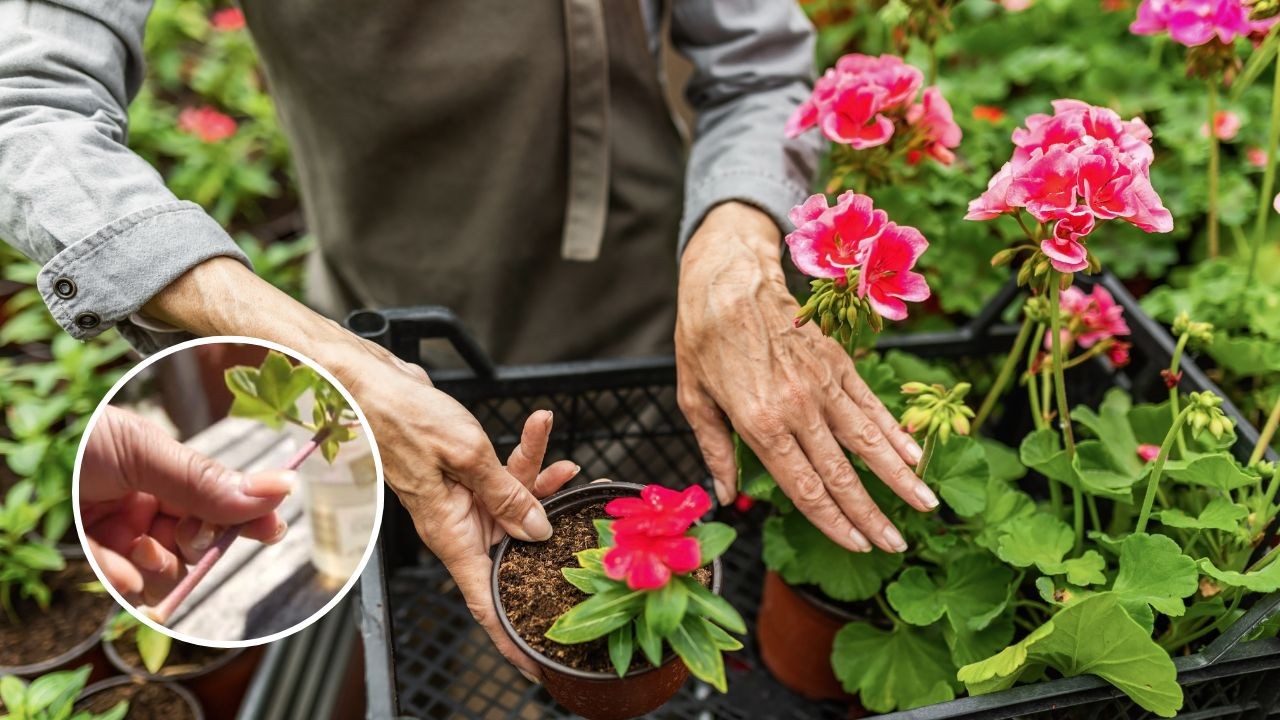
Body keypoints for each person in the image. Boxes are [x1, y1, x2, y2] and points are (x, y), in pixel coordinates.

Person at [0, 1, 937, 677]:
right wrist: (327, 356)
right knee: (458, 636)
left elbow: (760, 67)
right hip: (378, 335)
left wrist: (737, 236)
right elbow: (25, 105)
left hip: (654, 315)